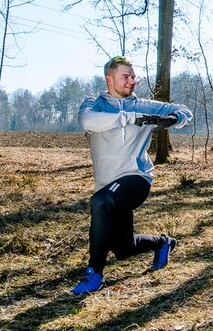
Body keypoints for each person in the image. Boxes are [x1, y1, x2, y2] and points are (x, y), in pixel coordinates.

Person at [71, 55, 193, 295]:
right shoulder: (94, 104)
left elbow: (184, 110)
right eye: (125, 77)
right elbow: (87, 121)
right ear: (109, 79)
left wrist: (175, 118)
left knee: (99, 202)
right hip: (107, 184)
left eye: (133, 77)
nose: (132, 81)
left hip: (136, 177)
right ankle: (162, 243)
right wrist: (128, 117)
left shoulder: (143, 105)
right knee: (123, 249)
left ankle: (94, 274)